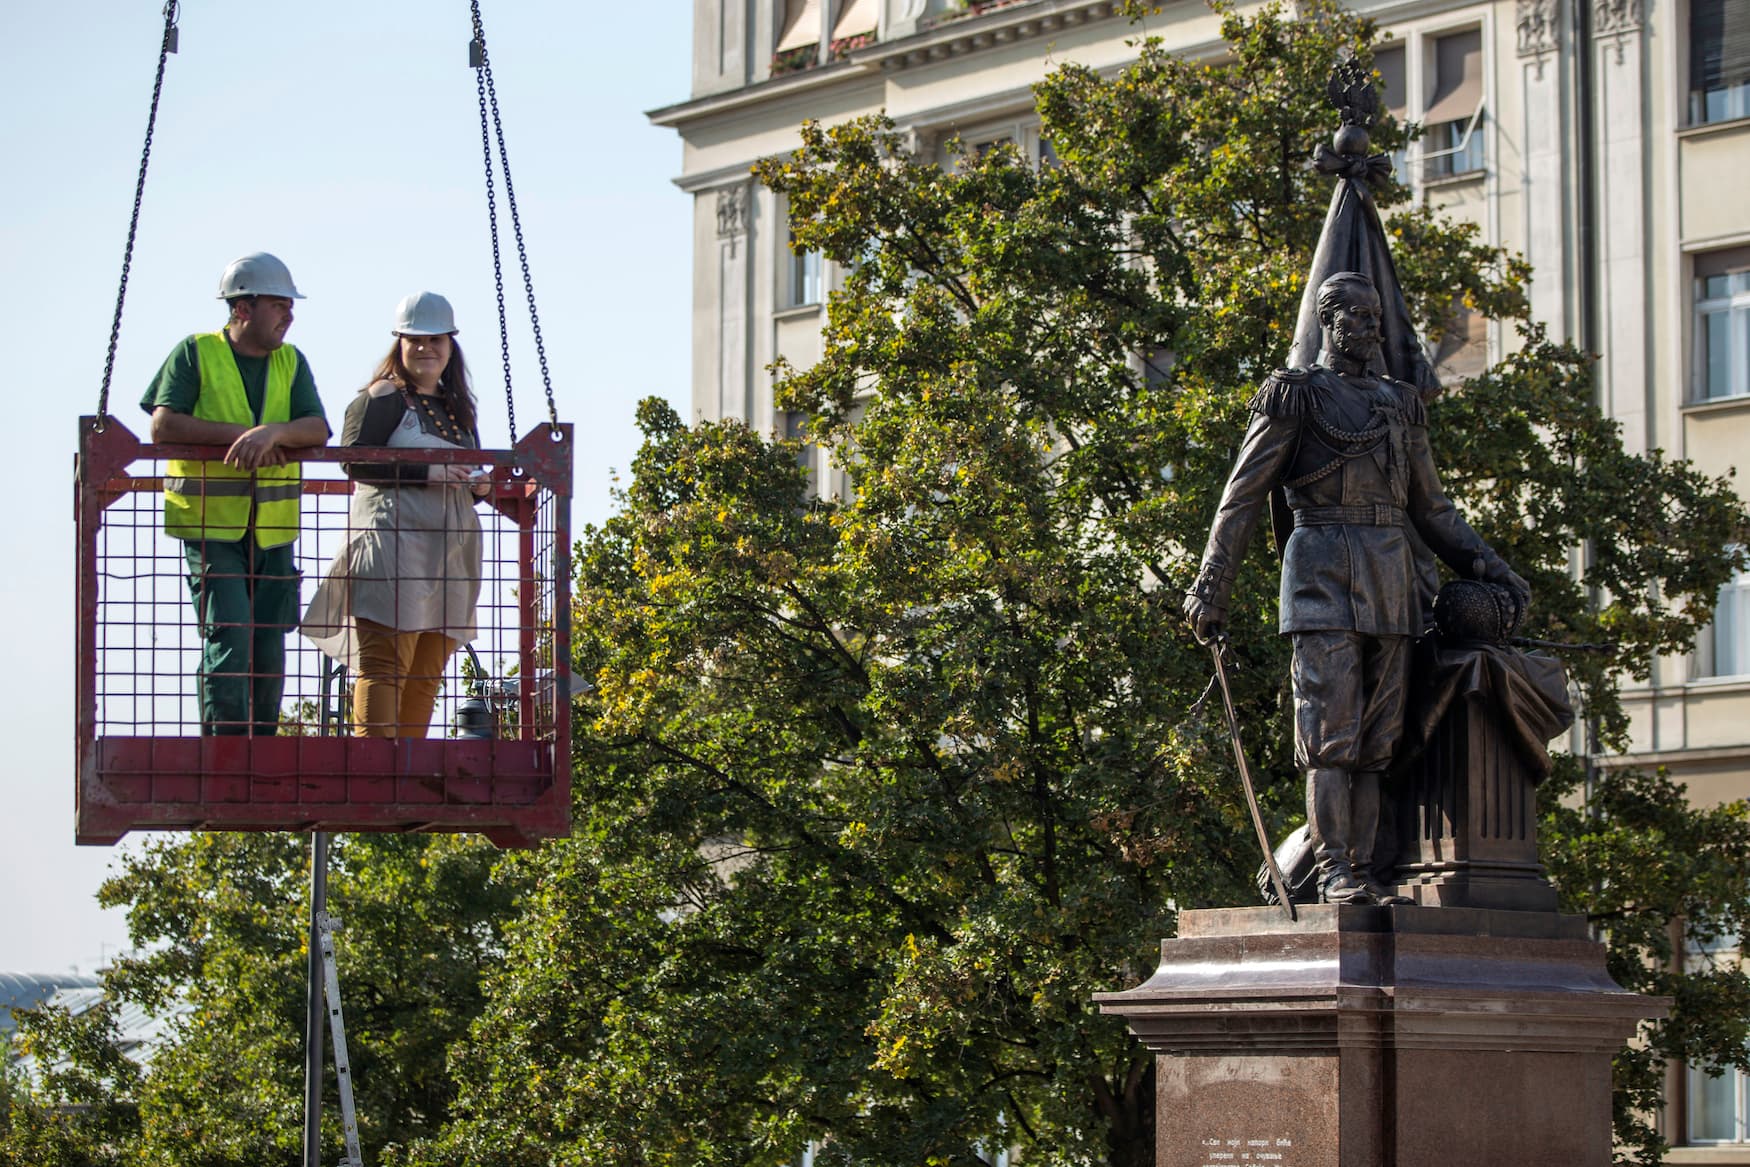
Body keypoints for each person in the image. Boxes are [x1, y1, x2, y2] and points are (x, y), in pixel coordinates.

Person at [1182, 271, 1530, 905]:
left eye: (1378, 317)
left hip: (1391, 579)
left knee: (1377, 741)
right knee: (1329, 735)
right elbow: (1242, 496)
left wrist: (1490, 566)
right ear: (1330, 322)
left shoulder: (1400, 405)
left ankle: (1365, 870)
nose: (1375, 329)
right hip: (1321, 575)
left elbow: (1434, 510)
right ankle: (1335, 867)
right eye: (1363, 318)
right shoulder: (1295, 396)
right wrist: (1212, 583)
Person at [143, 252, 330, 736]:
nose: (289, 315)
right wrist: (241, 434)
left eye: (290, 305)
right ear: (242, 309)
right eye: (278, 305)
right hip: (211, 526)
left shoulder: (292, 361)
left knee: (267, 643)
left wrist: (272, 433)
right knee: (230, 634)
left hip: (272, 531)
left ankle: (261, 750)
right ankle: (225, 750)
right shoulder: (195, 352)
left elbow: (317, 429)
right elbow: (163, 424)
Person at [302, 292, 489, 737]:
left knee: (426, 673)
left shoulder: (457, 410)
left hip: (445, 555)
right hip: (391, 547)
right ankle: (375, 771)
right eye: (416, 340)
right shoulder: (382, 396)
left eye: (436, 340)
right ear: (399, 344)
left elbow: (460, 475)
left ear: (451, 345)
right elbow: (354, 460)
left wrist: (480, 485)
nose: (427, 349)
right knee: (385, 664)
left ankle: (406, 774)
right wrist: (426, 472)